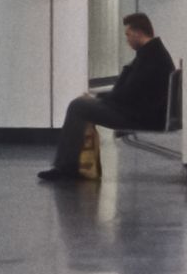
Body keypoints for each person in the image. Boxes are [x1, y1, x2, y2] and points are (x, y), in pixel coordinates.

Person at [36, 12, 177, 184]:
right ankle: (68, 166)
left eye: (128, 34)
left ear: (138, 33)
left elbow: (126, 94)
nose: (127, 40)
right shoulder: (154, 54)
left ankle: (66, 167)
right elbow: (128, 92)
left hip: (139, 117)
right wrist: (99, 97)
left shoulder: (150, 58)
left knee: (78, 106)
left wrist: (99, 99)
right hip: (140, 112)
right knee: (83, 105)